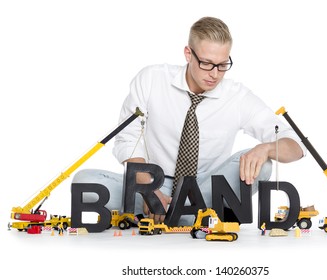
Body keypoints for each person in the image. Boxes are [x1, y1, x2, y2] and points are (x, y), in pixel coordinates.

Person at [72, 16, 306, 226]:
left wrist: (265, 148)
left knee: (263, 165)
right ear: (188, 54)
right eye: (206, 63)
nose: (214, 74)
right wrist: (147, 189)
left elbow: (295, 145)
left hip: (205, 188)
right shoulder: (152, 79)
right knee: (85, 182)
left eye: (223, 65)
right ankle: (187, 216)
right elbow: (127, 137)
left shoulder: (237, 96)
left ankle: (174, 215)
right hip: (154, 181)